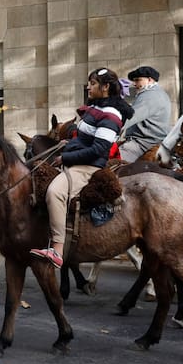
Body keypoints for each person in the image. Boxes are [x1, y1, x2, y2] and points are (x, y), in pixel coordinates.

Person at [31, 68, 128, 269]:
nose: (88, 87)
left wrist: (66, 156)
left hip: (87, 167)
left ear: (106, 87)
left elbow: (99, 149)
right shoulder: (98, 108)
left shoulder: (111, 114)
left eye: (92, 83)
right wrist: (68, 142)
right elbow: (86, 137)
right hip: (76, 162)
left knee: (54, 193)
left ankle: (57, 249)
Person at [118, 66, 172, 163]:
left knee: (111, 162)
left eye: (138, 80)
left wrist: (111, 126)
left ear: (150, 80)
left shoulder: (150, 95)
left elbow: (130, 118)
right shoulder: (158, 93)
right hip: (152, 142)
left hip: (143, 144)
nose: (134, 84)